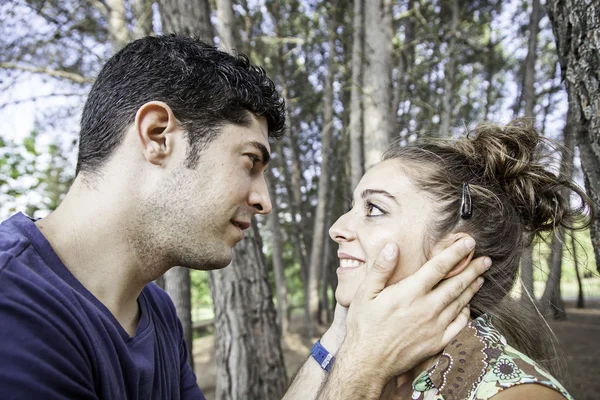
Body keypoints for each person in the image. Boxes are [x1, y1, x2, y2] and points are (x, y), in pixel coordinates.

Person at [0, 35, 488, 399]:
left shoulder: (155, 312)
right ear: (157, 135)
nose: (264, 201)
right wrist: (361, 369)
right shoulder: (16, 312)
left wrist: (343, 332)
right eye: (250, 162)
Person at [322, 118, 589, 400]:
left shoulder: (517, 395)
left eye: (374, 208)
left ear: (455, 256)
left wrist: (360, 370)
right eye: (352, 207)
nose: (337, 229)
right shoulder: (384, 370)